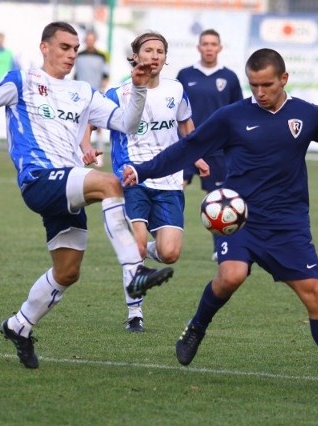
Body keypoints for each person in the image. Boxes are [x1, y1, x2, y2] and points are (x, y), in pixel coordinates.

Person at [122, 48, 318, 397]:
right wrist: (142, 170)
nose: (260, 92)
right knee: (231, 275)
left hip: (288, 224)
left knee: (316, 296)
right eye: (254, 85)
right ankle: (197, 327)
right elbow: (187, 147)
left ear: (284, 79)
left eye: (267, 85)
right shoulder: (232, 117)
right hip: (239, 218)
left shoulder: (305, 115)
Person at [0, 21, 174, 369]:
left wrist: (137, 90)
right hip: (40, 180)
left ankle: (19, 325)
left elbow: (128, 124)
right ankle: (135, 272)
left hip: (68, 184)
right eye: (64, 47)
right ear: (44, 47)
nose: (71, 54)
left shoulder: (84, 91)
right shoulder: (23, 81)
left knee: (67, 272)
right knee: (110, 184)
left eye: (75, 49)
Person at [83, 31, 208, 333]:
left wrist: (198, 156)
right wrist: (86, 146)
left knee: (170, 253)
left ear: (165, 58)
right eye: (148, 50)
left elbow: (186, 126)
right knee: (137, 245)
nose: (154, 55)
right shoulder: (119, 93)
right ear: (136, 57)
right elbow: (89, 120)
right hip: (132, 175)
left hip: (169, 178)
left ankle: (140, 255)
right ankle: (134, 313)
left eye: (160, 51)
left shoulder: (176, 90)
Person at [176, 29, 243, 261]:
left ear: (220, 48)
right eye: (205, 43)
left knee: (219, 199)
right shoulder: (185, 75)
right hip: (187, 144)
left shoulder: (230, 78)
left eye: (213, 44)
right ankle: (163, 238)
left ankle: (220, 247)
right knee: (173, 190)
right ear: (198, 47)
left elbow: (238, 113)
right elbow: (174, 110)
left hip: (216, 149)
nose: (209, 48)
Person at [75, 29, 110, 166]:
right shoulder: (79, 56)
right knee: (79, 124)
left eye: (92, 39)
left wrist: (101, 91)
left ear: (95, 40)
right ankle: (81, 153)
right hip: (80, 96)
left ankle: (98, 154)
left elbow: (105, 76)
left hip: (95, 94)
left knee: (98, 125)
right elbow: (76, 76)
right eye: (88, 39)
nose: (90, 42)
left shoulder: (102, 56)